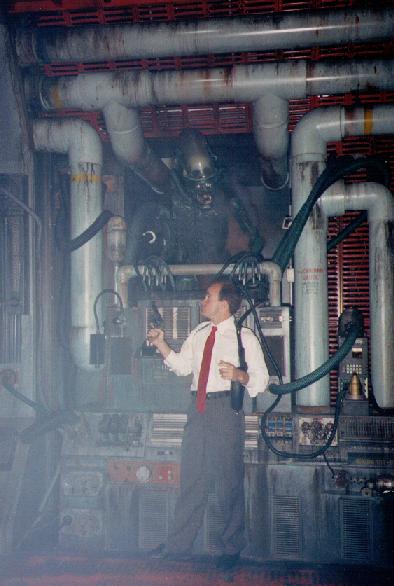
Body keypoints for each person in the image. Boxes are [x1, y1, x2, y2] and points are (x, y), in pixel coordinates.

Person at [147, 277, 269, 570]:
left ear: (224, 304)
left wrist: (239, 375)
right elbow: (181, 366)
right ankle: (178, 546)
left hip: (226, 410)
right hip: (197, 410)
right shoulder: (200, 332)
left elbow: (261, 380)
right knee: (191, 478)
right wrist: (161, 343)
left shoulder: (244, 338)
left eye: (208, 297)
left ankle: (230, 549)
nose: (203, 301)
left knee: (228, 480)